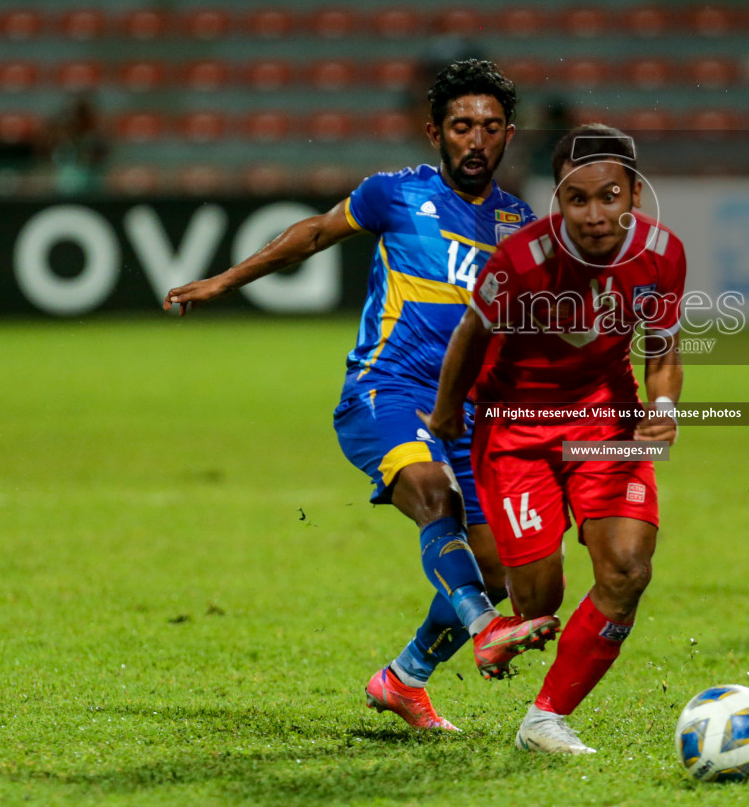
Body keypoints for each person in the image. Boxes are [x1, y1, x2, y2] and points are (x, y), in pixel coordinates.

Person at [163, 60, 558, 731]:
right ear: (435, 131)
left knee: (496, 571)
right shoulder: (395, 194)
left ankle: (404, 680)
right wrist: (223, 283)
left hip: (469, 416)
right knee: (435, 496)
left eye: (491, 128)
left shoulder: (520, 225)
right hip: (388, 390)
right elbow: (315, 233)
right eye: (462, 125)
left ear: (509, 136)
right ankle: (486, 630)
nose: (476, 140)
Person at [422, 123, 686, 754]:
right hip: (515, 429)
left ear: (634, 196)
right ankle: (460, 643)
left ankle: (545, 719)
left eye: (609, 197)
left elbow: (664, 350)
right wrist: (448, 411)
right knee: (540, 605)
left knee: (627, 570)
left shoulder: (663, 254)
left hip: (607, 419)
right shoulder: (519, 260)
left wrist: (666, 404)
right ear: (557, 199)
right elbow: (469, 337)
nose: (595, 215)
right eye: (577, 199)